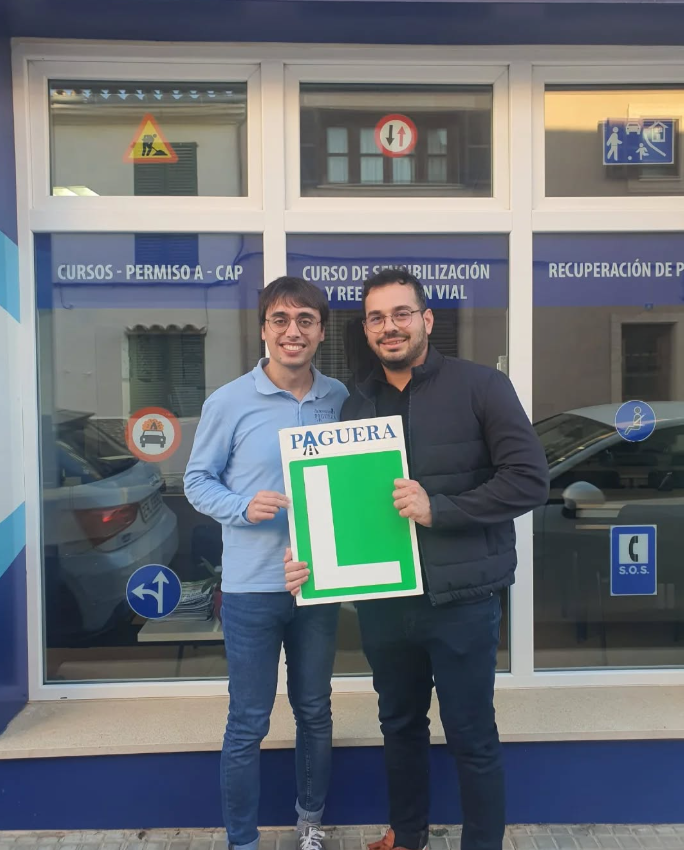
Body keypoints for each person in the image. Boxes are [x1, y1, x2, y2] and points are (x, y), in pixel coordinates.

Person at [285, 269, 549, 850]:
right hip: (386, 602)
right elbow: (347, 506)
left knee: (471, 736)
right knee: (399, 728)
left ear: (426, 320)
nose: (390, 327)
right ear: (367, 329)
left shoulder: (482, 387)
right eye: (377, 317)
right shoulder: (357, 405)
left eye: (401, 313)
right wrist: (314, 556)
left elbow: (530, 481)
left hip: (462, 601)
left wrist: (441, 509)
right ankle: (407, 837)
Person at [184, 276, 349, 850]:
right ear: (263, 329)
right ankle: (241, 842)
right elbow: (196, 482)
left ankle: (310, 825)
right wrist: (242, 506)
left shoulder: (339, 399)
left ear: (321, 330)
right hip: (253, 588)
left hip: (318, 587)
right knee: (248, 723)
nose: (292, 331)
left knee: (315, 713)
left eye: (305, 320)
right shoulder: (228, 401)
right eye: (280, 319)